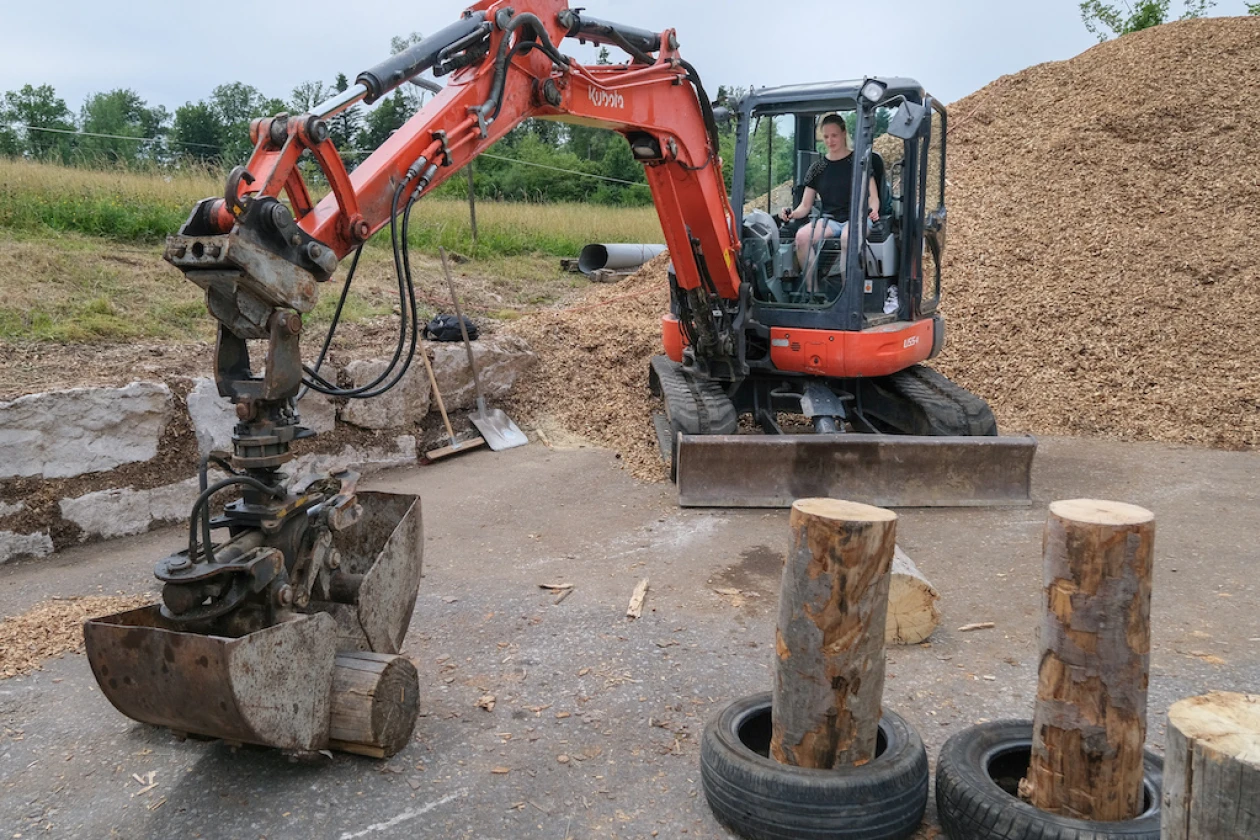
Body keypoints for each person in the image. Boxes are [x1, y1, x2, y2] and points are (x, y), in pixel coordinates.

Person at [779, 114, 893, 311]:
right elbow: (805, 206)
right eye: (826, 137)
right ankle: (813, 293)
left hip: (858, 218)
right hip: (830, 220)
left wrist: (873, 210)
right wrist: (791, 213)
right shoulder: (817, 168)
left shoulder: (859, 162)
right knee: (802, 237)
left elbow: (873, 198)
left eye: (834, 136)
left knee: (848, 238)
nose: (830, 141)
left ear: (844, 134)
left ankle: (847, 297)